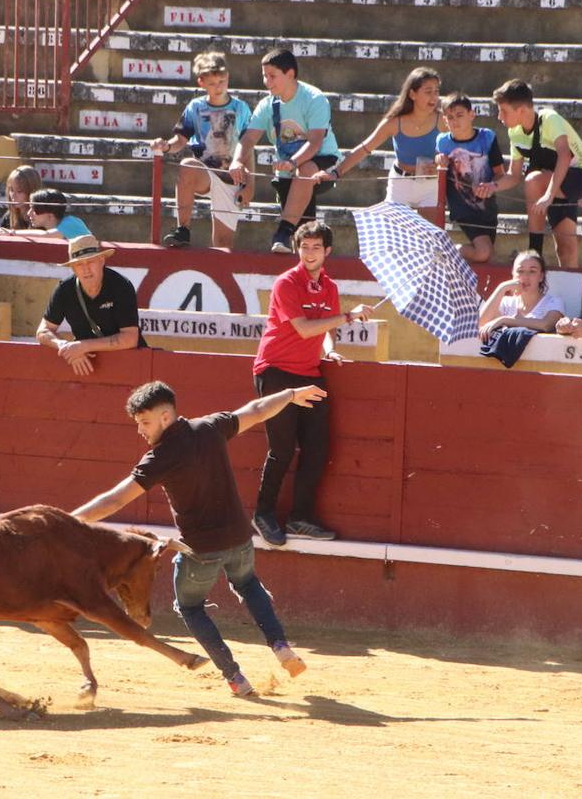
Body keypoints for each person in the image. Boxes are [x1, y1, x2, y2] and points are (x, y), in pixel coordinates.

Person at [72, 379, 318, 697]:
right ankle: (280, 645)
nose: (141, 431)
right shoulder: (210, 427)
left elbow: (114, 500)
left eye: (144, 423)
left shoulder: (160, 457)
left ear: (165, 417)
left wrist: (69, 521)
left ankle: (236, 678)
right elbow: (257, 410)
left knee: (189, 608)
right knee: (248, 584)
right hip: (241, 539)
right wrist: (291, 394)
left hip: (201, 550)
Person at [252, 221, 372, 544]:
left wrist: (331, 351)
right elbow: (305, 328)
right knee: (282, 448)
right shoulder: (287, 282)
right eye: (304, 246)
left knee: (317, 448)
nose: (309, 253)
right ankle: (262, 513)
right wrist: (350, 316)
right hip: (275, 370)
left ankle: (299, 517)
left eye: (316, 247)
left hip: (308, 371)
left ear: (327, 251)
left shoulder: (329, 287)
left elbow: (323, 333)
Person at [228, 47, 340, 253]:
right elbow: (248, 138)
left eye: (272, 76)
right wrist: (236, 161)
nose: (266, 82)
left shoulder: (315, 99)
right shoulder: (267, 105)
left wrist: (294, 162)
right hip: (289, 169)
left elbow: (315, 142)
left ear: (290, 74)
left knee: (305, 171)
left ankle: (282, 230)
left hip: (323, 160)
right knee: (304, 233)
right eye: (264, 76)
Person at [152, 51, 253, 249]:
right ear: (202, 82)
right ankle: (183, 229)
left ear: (228, 77)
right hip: (205, 173)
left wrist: (250, 185)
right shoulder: (195, 107)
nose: (219, 87)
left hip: (231, 178)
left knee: (223, 245)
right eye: (213, 83)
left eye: (222, 81)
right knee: (187, 165)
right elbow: (181, 139)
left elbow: (248, 146)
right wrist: (167, 146)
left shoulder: (241, 108)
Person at [490, 79, 582, 268]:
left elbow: (564, 155)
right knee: (565, 249)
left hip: (581, 174)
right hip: (556, 180)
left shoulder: (548, 118)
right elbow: (513, 175)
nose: (500, 117)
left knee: (533, 180)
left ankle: (534, 250)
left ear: (521, 110)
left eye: (503, 111)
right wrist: (491, 187)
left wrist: (548, 195)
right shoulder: (515, 133)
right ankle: (571, 292)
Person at [315, 67, 444, 218]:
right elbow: (364, 148)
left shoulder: (443, 120)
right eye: (428, 91)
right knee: (393, 237)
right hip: (400, 183)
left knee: (429, 237)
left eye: (436, 91)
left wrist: (441, 166)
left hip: (430, 183)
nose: (434, 97)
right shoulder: (394, 122)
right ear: (412, 94)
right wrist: (336, 172)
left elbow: (459, 148)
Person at [36, 234, 147, 376]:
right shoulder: (64, 290)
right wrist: (65, 347)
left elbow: (130, 338)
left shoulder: (121, 286)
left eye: (90, 262)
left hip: (128, 366)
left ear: (102, 260)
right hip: (86, 370)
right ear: (73, 269)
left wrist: (82, 346)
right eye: (79, 264)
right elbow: (43, 331)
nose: (86, 269)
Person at [434, 92, 505, 263]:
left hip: (486, 205)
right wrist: (439, 161)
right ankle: (446, 251)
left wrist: (490, 186)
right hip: (463, 206)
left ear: (471, 115)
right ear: (444, 121)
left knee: (486, 256)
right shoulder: (443, 142)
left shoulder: (487, 137)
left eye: (459, 115)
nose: (455, 121)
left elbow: (500, 172)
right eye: (450, 117)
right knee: (483, 253)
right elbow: (439, 169)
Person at [478, 250, 565, 343]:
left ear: (541, 276)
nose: (525, 276)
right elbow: (482, 322)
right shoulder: (506, 302)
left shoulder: (553, 302)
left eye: (532, 271)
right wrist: (502, 288)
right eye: (520, 271)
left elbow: (546, 325)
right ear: (513, 274)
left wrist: (505, 320)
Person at [0, 188, 91, 240]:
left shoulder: (70, 222)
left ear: (50, 216)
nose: (29, 213)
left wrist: (11, 233)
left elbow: (45, 235)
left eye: (34, 210)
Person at [0, 164, 41, 230]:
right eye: (11, 190)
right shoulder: (8, 217)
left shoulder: (42, 217)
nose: (13, 195)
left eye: (19, 191)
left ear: (31, 190)